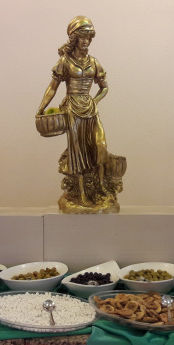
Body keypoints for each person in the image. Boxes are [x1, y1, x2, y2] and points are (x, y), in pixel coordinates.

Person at [36, 16, 123, 210]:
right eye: (82, 37)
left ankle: (101, 188)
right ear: (74, 38)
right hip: (72, 109)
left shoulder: (94, 62)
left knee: (100, 146)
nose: (86, 41)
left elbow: (104, 87)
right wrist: (41, 108)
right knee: (77, 152)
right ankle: (81, 193)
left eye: (89, 37)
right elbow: (52, 87)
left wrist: (94, 101)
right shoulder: (65, 61)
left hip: (90, 109)